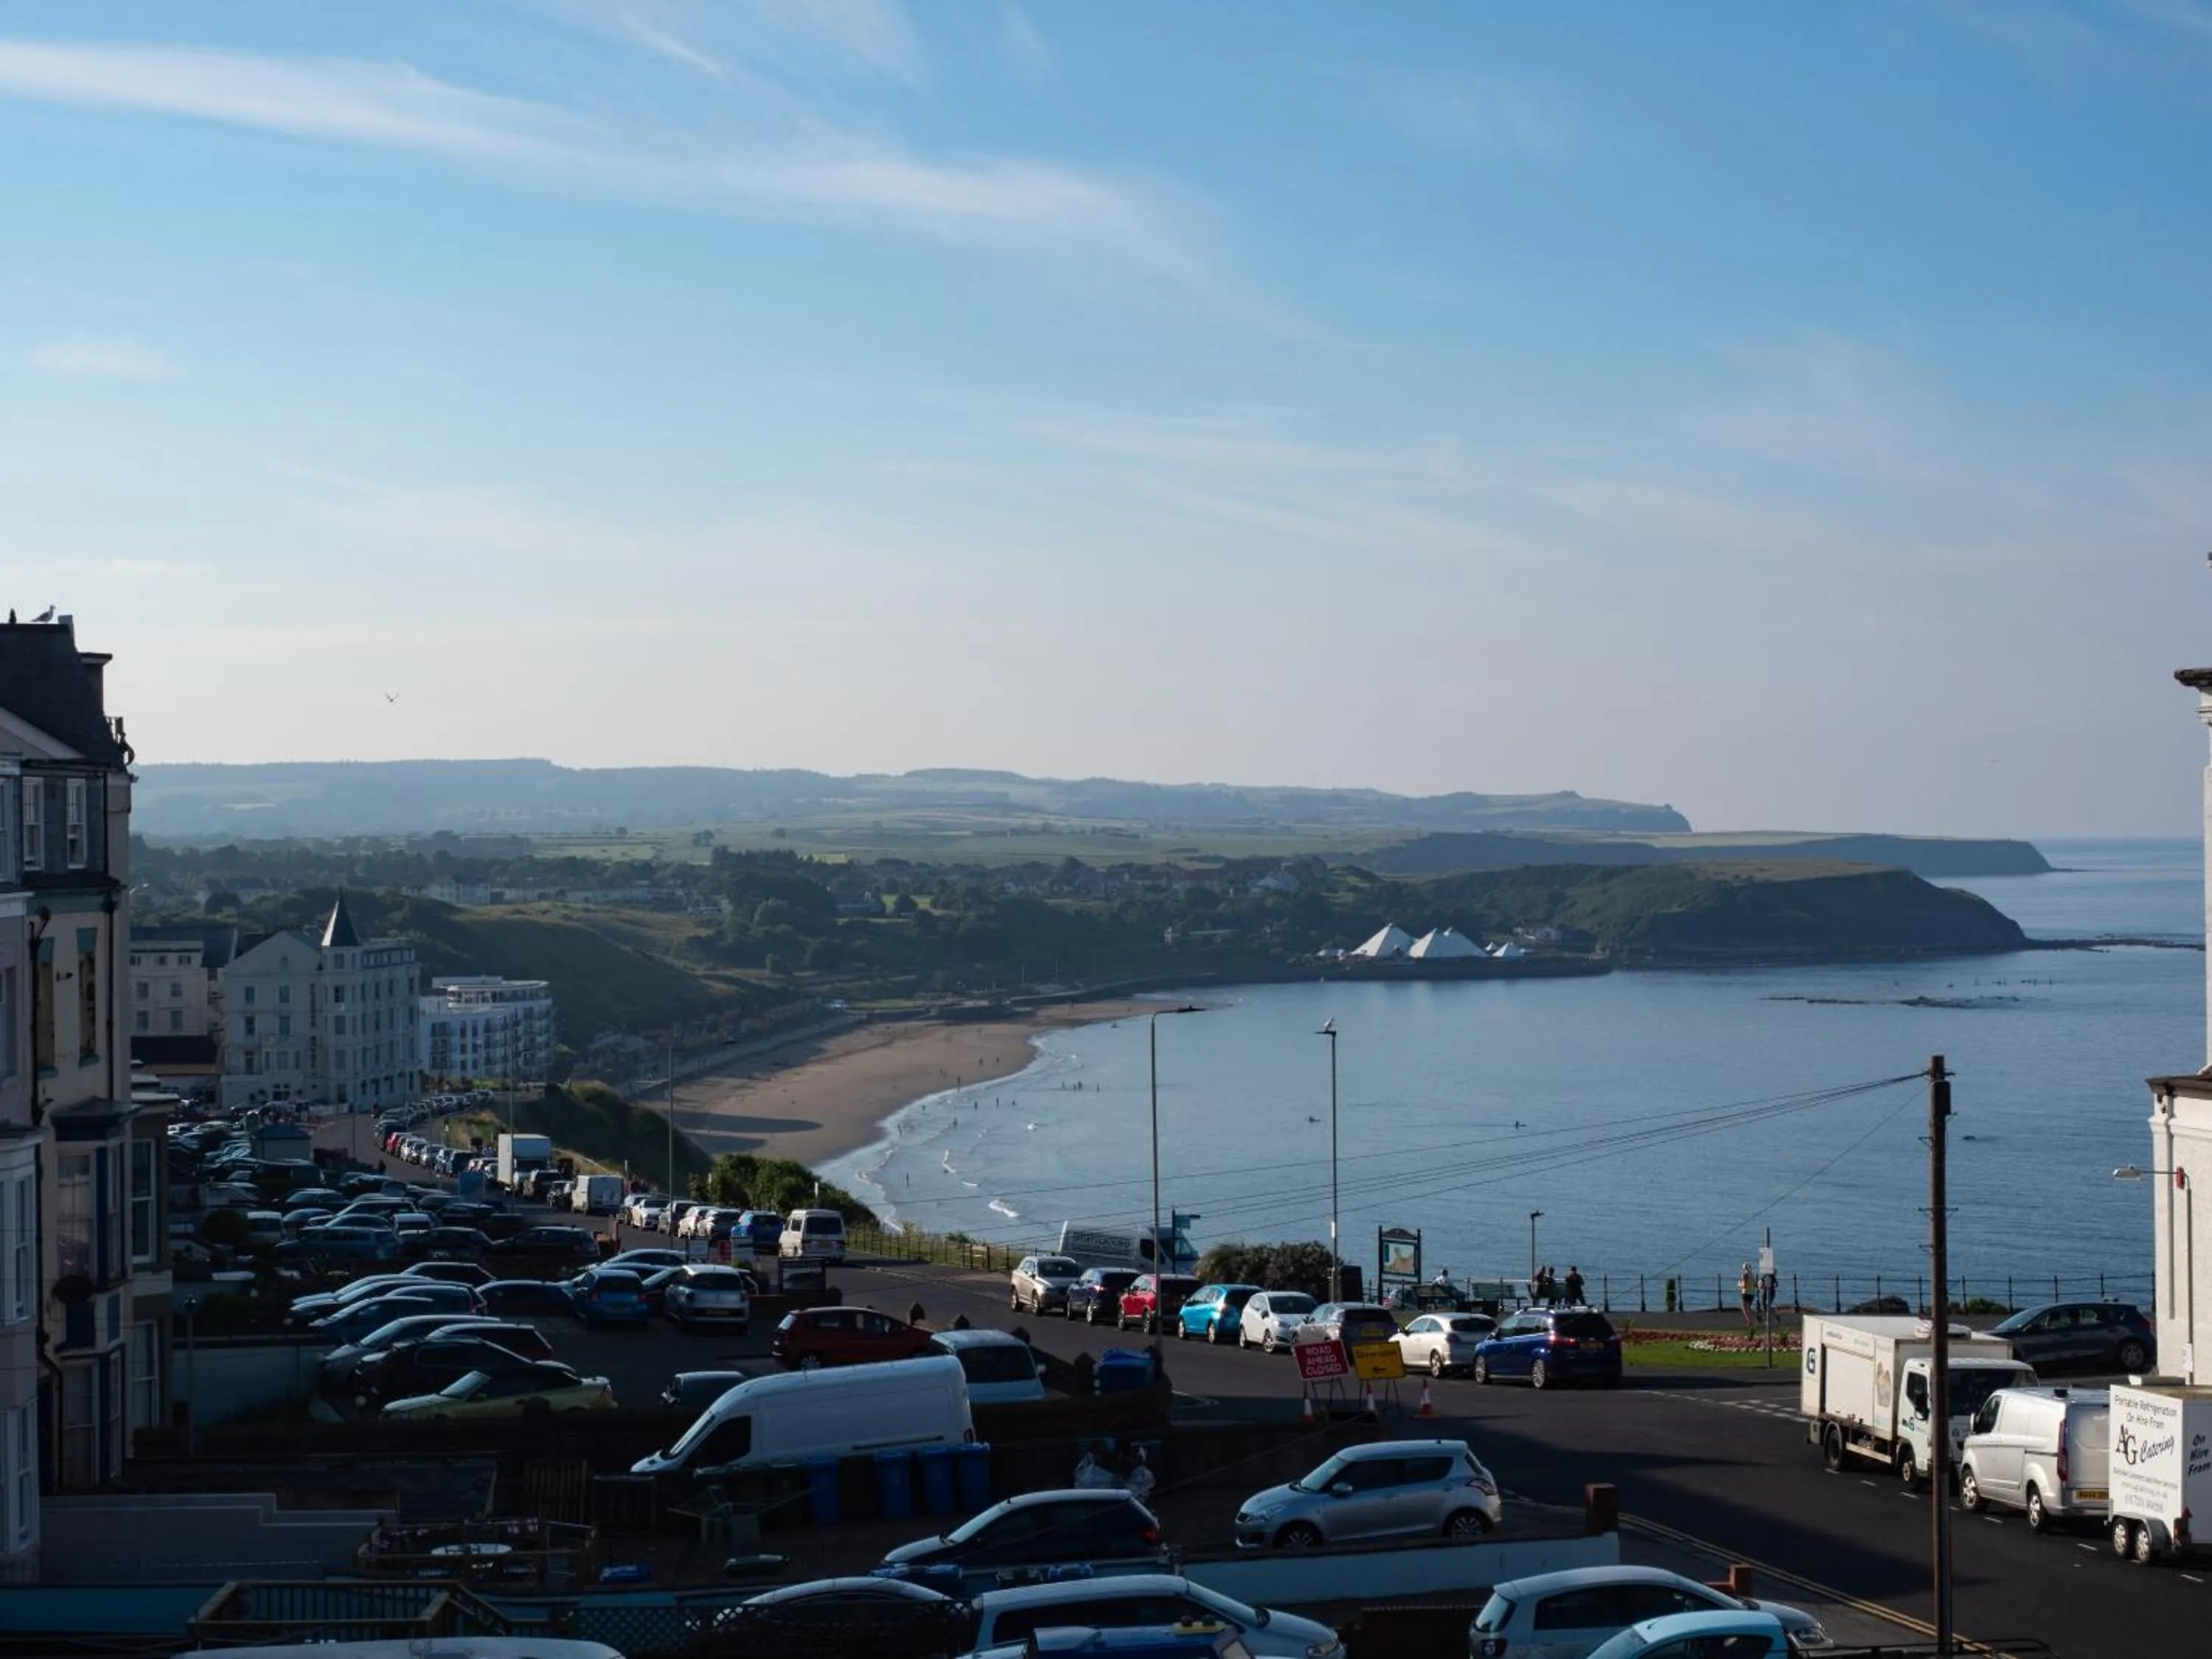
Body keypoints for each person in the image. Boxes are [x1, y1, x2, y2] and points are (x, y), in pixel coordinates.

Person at [1739, 1262, 1759, 1330]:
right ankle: (1757, 1317)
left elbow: (1744, 1285)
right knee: (1749, 1308)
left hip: (1746, 1292)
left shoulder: (1745, 1275)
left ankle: (1749, 1321)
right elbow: (1756, 1285)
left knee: (1744, 1307)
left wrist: (1740, 1284)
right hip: (1752, 1293)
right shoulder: (1752, 1274)